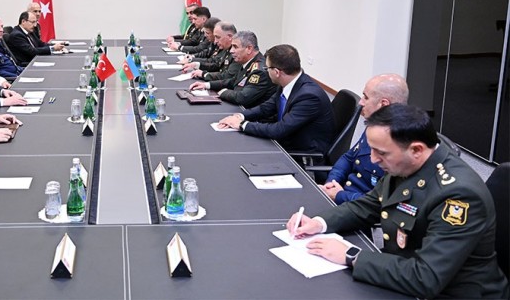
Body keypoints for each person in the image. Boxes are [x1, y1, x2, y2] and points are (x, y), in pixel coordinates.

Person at [288, 104, 509, 299]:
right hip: (405, 274)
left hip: (448, 292)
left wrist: (351, 255)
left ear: (416, 150)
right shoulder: (406, 163)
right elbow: (369, 205)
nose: (373, 159)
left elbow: (426, 277)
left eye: (381, 153)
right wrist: (319, 222)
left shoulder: (458, 195)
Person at [218, 44, 335, 155]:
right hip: (284, 142)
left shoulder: (309, 96)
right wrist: (240, 116)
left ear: (277, 72)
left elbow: (279, 129)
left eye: (267, 68)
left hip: (300, 154)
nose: (266, 71)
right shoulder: (287, 83)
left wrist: (242, 125)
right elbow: (266, 108)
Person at [321, 73, 408, 204]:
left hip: (359, 208)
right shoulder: (376, 125)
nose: (361, 102)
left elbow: (381, 202)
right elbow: (349, 157)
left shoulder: (398, 144)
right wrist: (332, 182)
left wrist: (340, 195)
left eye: (366, 97)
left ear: (383, 104)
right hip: (342, 197)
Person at [190, 31, 275, 109]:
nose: (231, 51)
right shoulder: (248, 62)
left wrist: (224, 92)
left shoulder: (259, 70)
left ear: (249, 49)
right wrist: (207, 85)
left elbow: (242, 97)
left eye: (235, 47)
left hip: (251, 115)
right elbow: (233, 81)